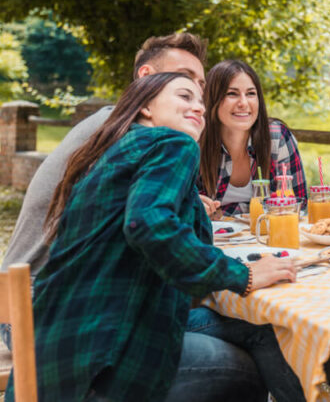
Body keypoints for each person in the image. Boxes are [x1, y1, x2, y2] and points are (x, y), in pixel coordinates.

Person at [4, 73, 298, 402]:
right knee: (253, 364)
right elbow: (148, 225)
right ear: (145, 106)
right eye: (185, 97)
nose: (198, 107)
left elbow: (147, 235)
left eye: (201, 101)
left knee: (254, 327)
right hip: (101, 364)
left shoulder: (112, 153)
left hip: (53, 360)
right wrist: (242, 275)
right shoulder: (173, 143)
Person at [199, 59, 307, 215]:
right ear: (213, 99)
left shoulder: (277, 137)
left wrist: (223, 211)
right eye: (232, 94)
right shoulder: (196, 141)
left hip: (268, 237)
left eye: (251, 93)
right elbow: (184, 209)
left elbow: (298, 206)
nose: (243, 103)